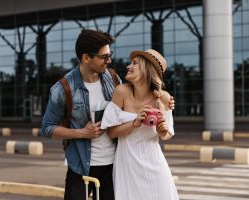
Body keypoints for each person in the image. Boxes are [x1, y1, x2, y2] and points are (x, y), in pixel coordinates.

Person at [41, 29, 175, 200]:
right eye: (104, 57)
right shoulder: (63, 89)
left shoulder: (112, 79)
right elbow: (47, 128)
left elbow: (137, 101)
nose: (109, 60)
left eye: (109, 54)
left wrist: (166, 102)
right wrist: (82, 133)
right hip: (81, 165)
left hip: (115, 165)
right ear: (86, 58)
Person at [101, 49, 179, 200]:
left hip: (155, 163)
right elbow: (111, 132)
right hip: (127, 164)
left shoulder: (163, 98)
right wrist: (135, 123)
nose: (128, 66)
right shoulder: (121, 92)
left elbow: (167, 135)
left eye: (135, 63)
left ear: (147, 69)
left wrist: (162, 130)